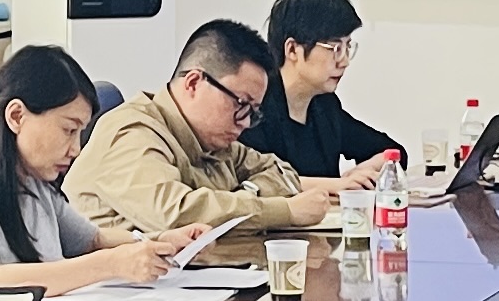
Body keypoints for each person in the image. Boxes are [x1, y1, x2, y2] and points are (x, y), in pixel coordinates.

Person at [69, 17, 374, 242]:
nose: (245, 122)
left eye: (253, 112)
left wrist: (245, 193)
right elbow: (177, 214)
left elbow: (280, 172)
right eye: (240, 104)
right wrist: (285, 211)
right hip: (120, 298)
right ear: (193, 83)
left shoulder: (212, 140)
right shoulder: (132, 132)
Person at [0, 44, 187, 295]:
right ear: (17, 116)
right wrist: (110, 264)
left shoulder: (32, 180)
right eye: (68, 130)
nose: (75, 149)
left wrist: (161, 241)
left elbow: (93, 241)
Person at [245, 0, 405, 181]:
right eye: (335, 48)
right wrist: (340, 185)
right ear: (292, 49)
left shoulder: (324, 105)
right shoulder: (255, 109)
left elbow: (393, 152)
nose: (344, 61)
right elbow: (260, 182)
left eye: (348, 47)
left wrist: (360, 172)